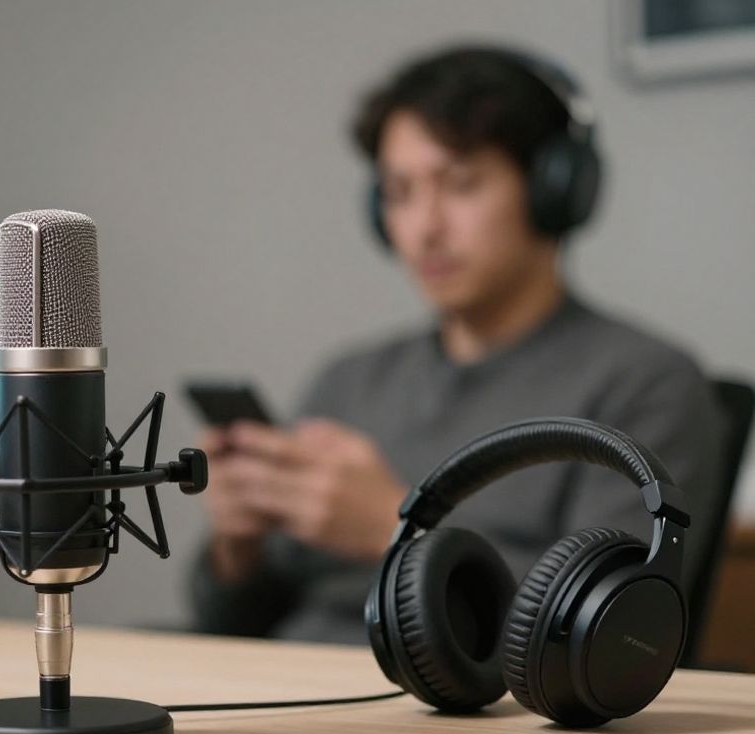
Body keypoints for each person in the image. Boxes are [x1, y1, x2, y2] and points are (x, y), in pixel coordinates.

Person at [189, 45, 724, 645]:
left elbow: (611, 628)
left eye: (461, 184)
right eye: (399, 192)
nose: (425, 227)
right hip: (292, 700)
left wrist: (398, 530)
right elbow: (229, 624)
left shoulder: (645, 382)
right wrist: (238, 546)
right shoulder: (347, 379)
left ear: (554, 188)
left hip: (480, 721)